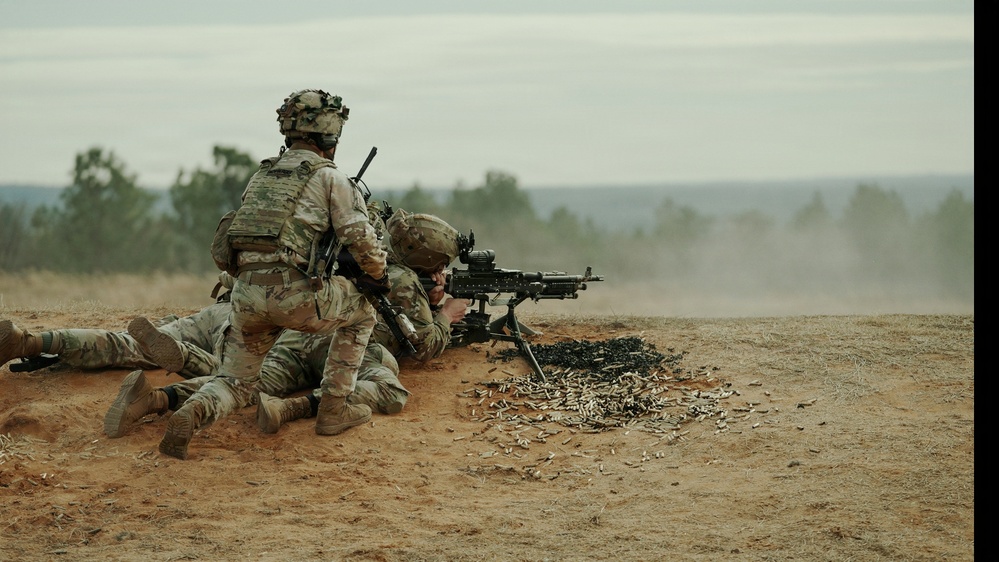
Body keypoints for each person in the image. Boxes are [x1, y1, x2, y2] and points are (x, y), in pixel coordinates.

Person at [157, 89, 389, 460]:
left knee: (235, 382)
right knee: (363, 313)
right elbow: (359, 236)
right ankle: (333, 409)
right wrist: (379, 276)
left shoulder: (262, 177)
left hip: (246, 296)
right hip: (298, 298)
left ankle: (192, 412)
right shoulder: (331, 178)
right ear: (330, 135)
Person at [104, 210, 471, 437]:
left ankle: (154, 398)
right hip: (342, 351)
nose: (442, 272)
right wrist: (445, 314)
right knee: (389, 388)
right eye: (439, 265)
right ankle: (186, 368)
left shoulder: (366, 256)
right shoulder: (405, 281)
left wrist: (430, 299)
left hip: (297, 332)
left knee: (242, 383)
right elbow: (423, 346)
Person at [0, 299, 230, 377]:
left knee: (127, 344)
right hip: (256, 328)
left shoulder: (250, 219)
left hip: (225, 308)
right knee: (234, 379)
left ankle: (32, 342)